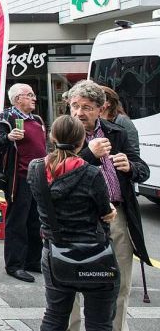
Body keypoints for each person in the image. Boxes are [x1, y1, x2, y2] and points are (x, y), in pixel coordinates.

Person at [65, 80, 150, 331]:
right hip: (79, 219)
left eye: (87, 107)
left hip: (117, 216)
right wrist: (89, 154)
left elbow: (142, 169)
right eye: (75, 106)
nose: (79, 112)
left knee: (120, 280)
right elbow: (58, 175)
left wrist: (131, 167)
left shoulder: (117, 132)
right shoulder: (63, 132)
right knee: (71, 281)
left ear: (101, 109)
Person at [27, 115, 119, 331]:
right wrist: (111, 210)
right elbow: (104, 211)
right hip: (95, 254)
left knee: (54, 316)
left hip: (54, 251)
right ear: (82, 141)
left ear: (52, 138)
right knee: (99, 323)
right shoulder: (92, 173)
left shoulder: (36, 169)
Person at [0, 83, 46, 283]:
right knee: (17, 222)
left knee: (36, 220)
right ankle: (14, 265)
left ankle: (32, 261)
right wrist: (8, 137)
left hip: (38, 177)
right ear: (18, 98)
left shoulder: (36, 119)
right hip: (18, 179)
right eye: (30, 95)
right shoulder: (6, 118)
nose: (34, 98)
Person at [99, 86, 140, 155]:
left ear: (109, 103)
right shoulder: (94, 119)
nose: (95, 103)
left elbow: (134, 152)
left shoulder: (122, 120)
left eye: (99, 100)